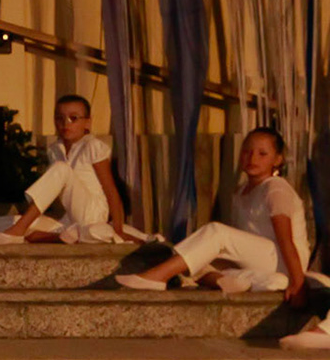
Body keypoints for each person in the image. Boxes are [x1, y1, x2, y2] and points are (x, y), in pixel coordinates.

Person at [116, 127, 308, 301]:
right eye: (247, 152)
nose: (252, 158)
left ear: (277, 160)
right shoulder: (241, 191)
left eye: (262, 154)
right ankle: (224, 281)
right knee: (196, 254)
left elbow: (286, 240)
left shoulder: (276, 189)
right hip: (262, 261)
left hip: (286, 259)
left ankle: (157, 277)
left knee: (216, 232)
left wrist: (298, 283)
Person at [0, 95, 145, 244]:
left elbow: (111, 190)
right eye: (59, 118)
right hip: (69, 220)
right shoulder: (54, 149)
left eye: (73, 118)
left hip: (91, 214)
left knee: (100, 229)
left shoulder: (93, 146)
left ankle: (22, 230)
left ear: (87, 123)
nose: (66, 123)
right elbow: (58, 194)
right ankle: (58, 236)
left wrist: (118, 229)